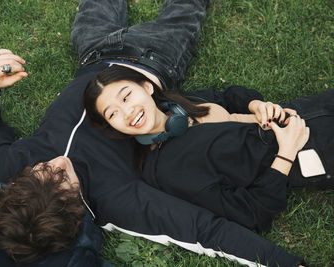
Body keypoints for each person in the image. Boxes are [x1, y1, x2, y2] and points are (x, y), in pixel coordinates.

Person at [0, 0, 306, 266]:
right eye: (62, 178)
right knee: (186, 5)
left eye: (42, 169)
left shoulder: (11, 168)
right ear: (75, 206)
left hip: (93, 52)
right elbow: (205, 230)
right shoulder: (116, 200)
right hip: (153, 59)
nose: (56, 162)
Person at [84, 64, 333, 232]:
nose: (127, 112)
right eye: (112, 114)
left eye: (126, 96)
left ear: (146, 87)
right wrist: (287, 152)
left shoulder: (176, 105)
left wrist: (256, 104)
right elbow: (252, 214)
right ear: (112, 126)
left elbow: (223, 96)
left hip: (302, 110)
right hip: (309, 151)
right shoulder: (167, 170)